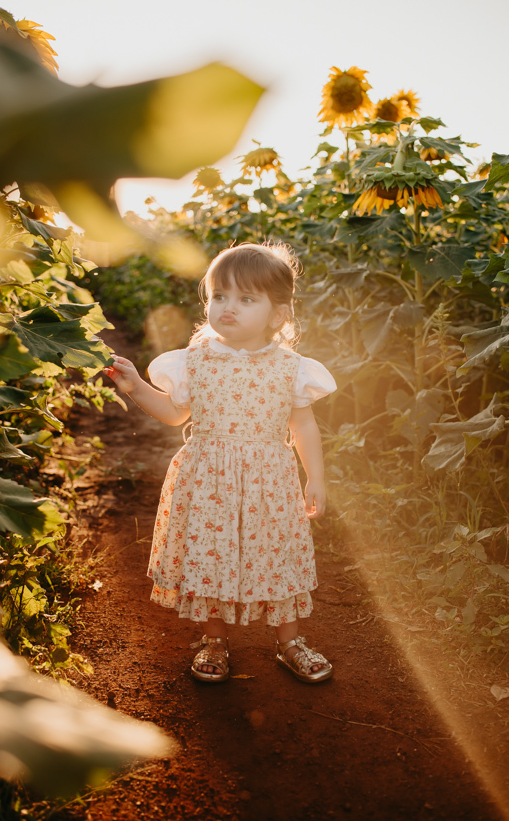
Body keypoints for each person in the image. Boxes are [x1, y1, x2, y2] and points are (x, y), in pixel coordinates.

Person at [106, 242, 336, 684]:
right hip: (208, 480)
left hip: (270, 482)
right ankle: (214, 640)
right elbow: (175, 414)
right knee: (212, 555)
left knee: (277, 556)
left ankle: (290, 642)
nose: (228, 307)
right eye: (219, 296)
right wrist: (135, 386)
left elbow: (304, 426)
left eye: (246, 299)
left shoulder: (292, 368)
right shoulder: (194, 362)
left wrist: (315, 478)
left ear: (277, 315)